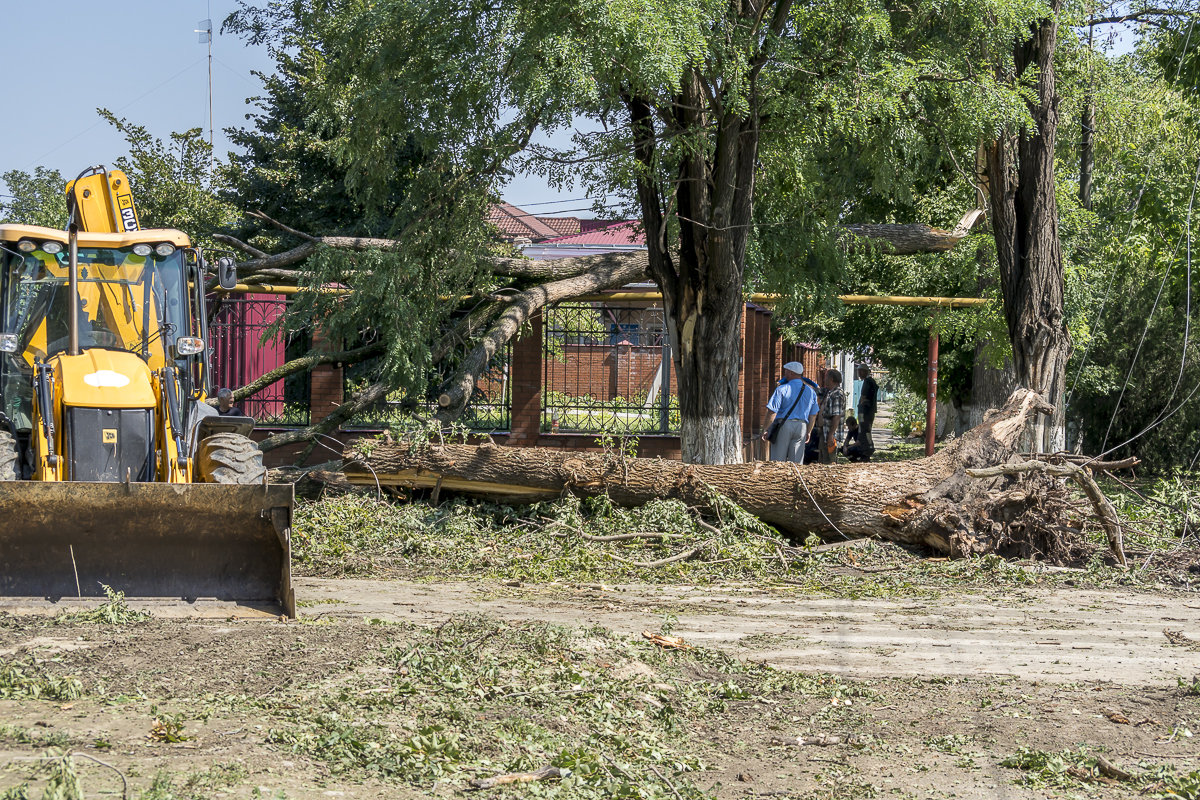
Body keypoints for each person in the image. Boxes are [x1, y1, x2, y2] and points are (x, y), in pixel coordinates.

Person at [760, 361, 819, 463]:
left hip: (784, 425)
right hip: (802, 426)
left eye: (786, 371)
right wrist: (808, 431)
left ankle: (778, 478)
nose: (784, 373)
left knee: (778, 461)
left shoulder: (782, 389)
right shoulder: (811, 392)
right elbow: (813, 415)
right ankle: (795, 478)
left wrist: (766, 428)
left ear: (791, 373)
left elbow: (772, 412)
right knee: (796, 462)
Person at [819, 368, 845, 464]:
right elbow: (815, 390)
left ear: (832, 379)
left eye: (826, 377)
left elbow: (836, 416)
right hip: (824, 431)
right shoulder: (828, 392)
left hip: (830, 435)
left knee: (830, 462)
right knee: (823, 459)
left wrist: (831, 435)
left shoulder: (837, 394)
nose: (824, 379)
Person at [856, 365, 878, 459]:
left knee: (864, 430)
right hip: (869, 411)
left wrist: (861, 405)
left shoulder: (867, 382)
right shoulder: (871, 381)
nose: (859, 373)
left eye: (860, 371)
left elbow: (864, 397)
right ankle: (867, 448)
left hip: (865, 411)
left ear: (865, 372)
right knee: (866, 430)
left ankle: (867, 449)